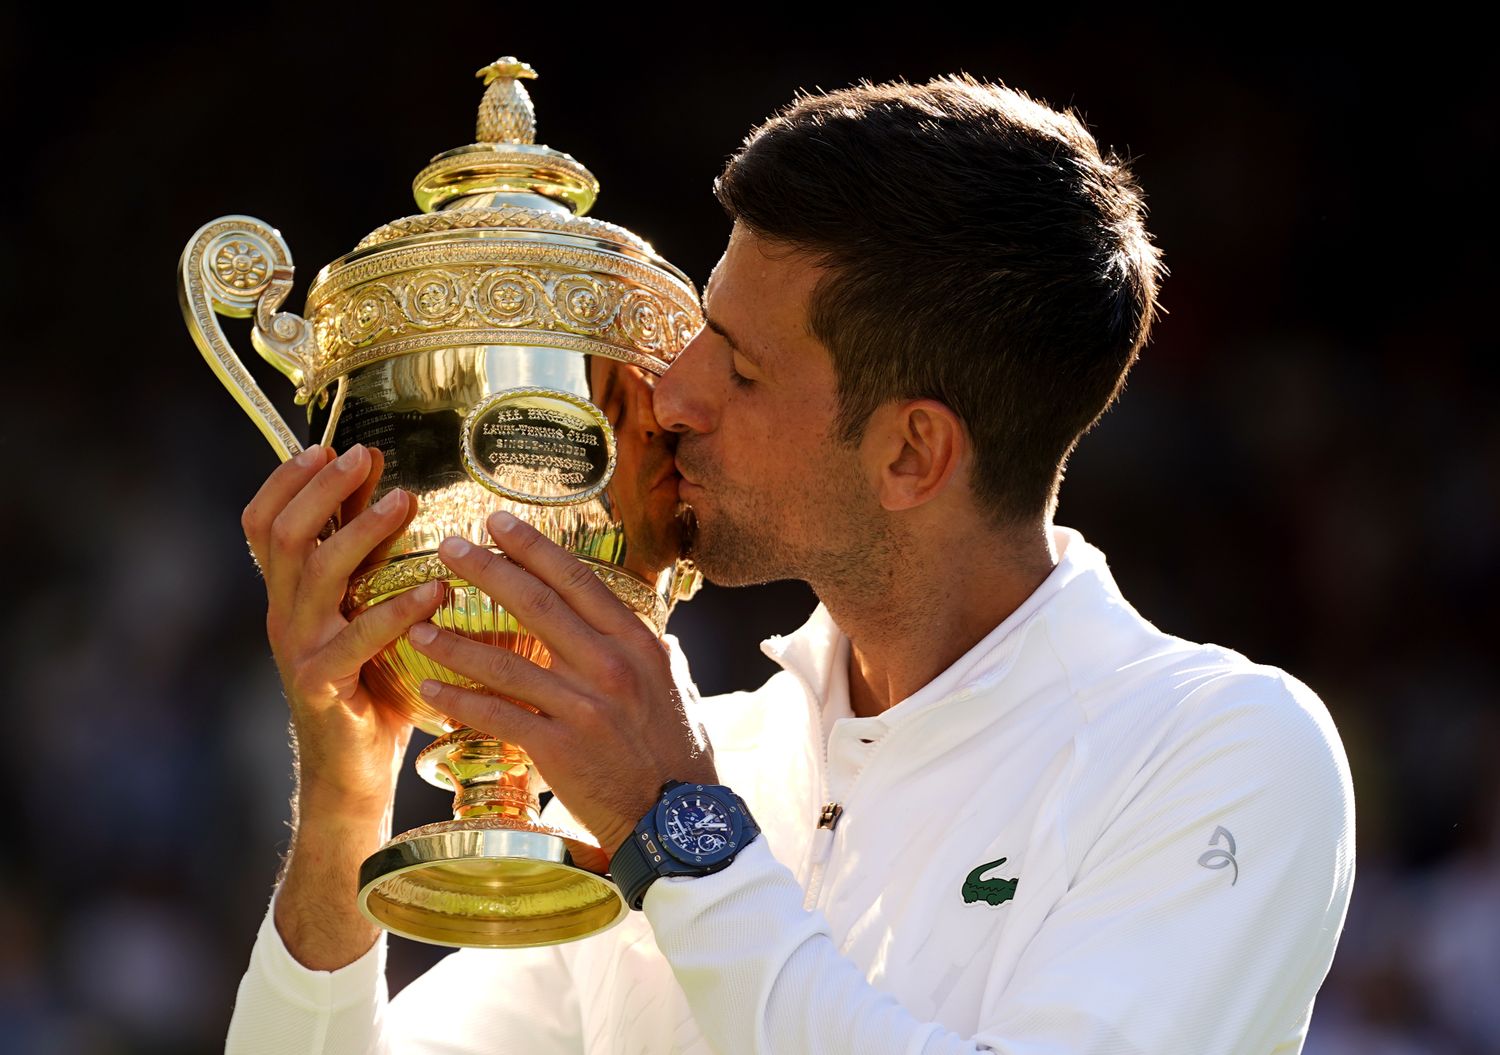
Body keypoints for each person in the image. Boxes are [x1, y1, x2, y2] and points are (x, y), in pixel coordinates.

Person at [227, 74, 1354, 1054]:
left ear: (914, 452)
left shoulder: (1226, 750)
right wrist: (344, 794)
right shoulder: (709, 762)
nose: (673, 397)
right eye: (701, 333)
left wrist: (677, 828)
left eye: (744, 369)